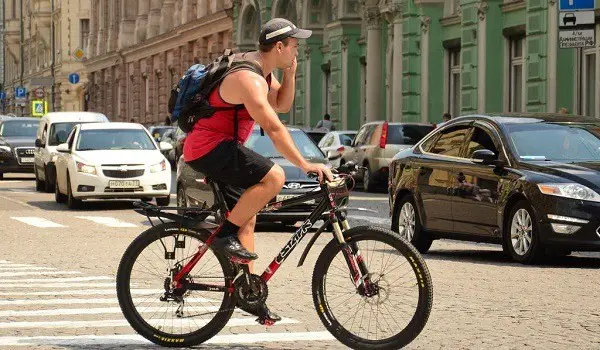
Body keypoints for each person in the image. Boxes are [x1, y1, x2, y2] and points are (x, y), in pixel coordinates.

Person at [183, 18, 333, 322]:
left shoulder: (261, 70)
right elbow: (275, 128)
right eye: (294, 46)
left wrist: (290, 74)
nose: (297, 51)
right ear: (279, 46)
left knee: (247, 220)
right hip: (209, 147)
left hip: (222, 146)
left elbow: (281, 104)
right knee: (275, 176)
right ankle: (224, 235)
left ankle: (247, 293)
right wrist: (305, 164)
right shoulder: (248, 78)